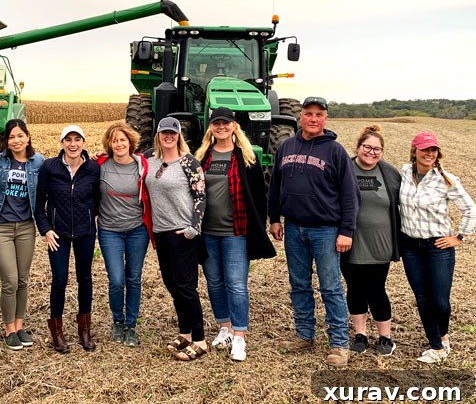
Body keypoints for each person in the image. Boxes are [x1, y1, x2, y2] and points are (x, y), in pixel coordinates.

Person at [268, 96, 359, 367]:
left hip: (326, 231)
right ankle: (304, 334)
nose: (313, 118)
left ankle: (340, 343)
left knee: (330, 287)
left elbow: (350, 195)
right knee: (299, 285)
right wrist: (274, 218)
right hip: (294, 229)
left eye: (319, 114)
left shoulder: (335, 151)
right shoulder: (286, 147)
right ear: (301, 116)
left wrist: (346, 231)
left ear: (325, 119)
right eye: (309, 113)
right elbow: (275, 185)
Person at [194, 107, 275, 362]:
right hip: (208, 232)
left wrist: (259, 226)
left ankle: (239, 336)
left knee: (237, 284)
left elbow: (259, 197)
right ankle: (225, 328)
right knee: (215, 282)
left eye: (225, 123)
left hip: (236, 231)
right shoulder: (202, 156)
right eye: (216, 123)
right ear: (210, 127)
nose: (221, 127)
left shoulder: (246, 157)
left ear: (233, 126)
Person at [398, 132, 476, 363]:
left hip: (437, 247)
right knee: (422, 298)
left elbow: (471, 209)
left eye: (433, 150)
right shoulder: (403, 173)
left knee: (440, 301)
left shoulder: (446, 180)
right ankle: (437, 347)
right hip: (410, 246)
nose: (429, 154)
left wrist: (459, 237)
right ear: (414, 151)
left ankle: (442, 335)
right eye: (424, 149)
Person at [144, 117, 207, 361]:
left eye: (173, 133)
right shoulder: (150, 157)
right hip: (161, 232)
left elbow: (201, 196)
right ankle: (185, 333)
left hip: (183, 232)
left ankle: (200, 340)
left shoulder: (189, 162)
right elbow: (123, 156)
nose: (168, 136)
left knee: (185, 287)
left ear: (179, 135)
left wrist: (194, 227)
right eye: (164, 132)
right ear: (158, 134)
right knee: (171, 283)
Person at [35, 125, 101, 353]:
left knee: (85, 278)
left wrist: (92, 219)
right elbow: (38, 203)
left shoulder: (93, 168)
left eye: (77, 139)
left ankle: (84, 330)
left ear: (83, 142)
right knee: (60, 279)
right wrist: (45, 229)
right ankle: (58, 331)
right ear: (62, 143)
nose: (73, 144)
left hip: (85, 232)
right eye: (68, 140)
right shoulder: (49, 167)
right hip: (58, 234)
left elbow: (98, 199)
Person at [342, 125, 401, 356]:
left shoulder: (390, 173)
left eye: (377, 149)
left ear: (382, 152)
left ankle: (385, 337)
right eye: (367, 147)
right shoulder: (344, 168)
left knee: (376, 289)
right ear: (358, 147)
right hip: (349, 241)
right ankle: (360, 334)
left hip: (380, 243)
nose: (372, 152)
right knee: (355, 288)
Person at [0, 119, 45, 350]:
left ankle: (20, 326)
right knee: (9, 280)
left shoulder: (38, 162)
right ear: (6, 141)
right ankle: (8, 329)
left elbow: (61, 168)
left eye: (20, 135)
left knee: (23, 279)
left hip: (25, 227)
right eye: (11, 137)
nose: (16, 140)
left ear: (28, 137)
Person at [96, 121, 152, 347]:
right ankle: (117, 320)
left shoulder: (143, 165)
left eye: (122, 140)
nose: (118, 144)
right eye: (114, 140)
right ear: (109, 144)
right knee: (117, 279)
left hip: (137, 229)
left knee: (134, 278)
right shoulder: (100, 164)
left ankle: (131, 325)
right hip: (110, 230)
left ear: (130, 142)